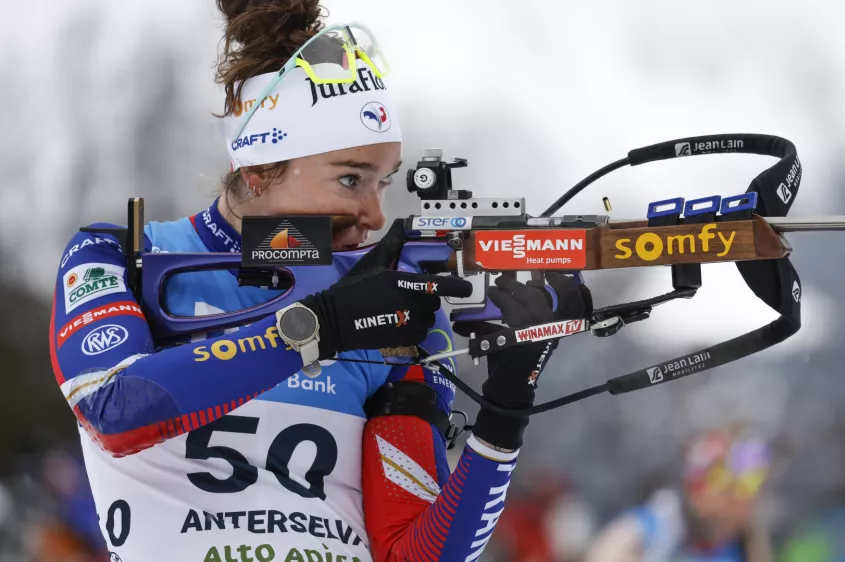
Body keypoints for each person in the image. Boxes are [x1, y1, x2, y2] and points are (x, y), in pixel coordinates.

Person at [48, 1, 592, 561]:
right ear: (259, 170)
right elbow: (112, 406)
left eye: (384, 183)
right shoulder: (123, 254)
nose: (376, 215)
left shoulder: (390, 306)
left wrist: (506, 409)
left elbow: (415, 555)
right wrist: (321, 327)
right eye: (350, 179)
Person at [585, 426, 774, 562]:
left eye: (750, 485)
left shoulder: (749, 547)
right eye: (723, 482)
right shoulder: (647, 530)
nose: (739, 498)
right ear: (697, 490)